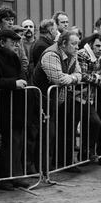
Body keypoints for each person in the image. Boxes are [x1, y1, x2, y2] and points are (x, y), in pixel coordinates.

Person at [0, 29, 30, 190]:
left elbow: (22, 73)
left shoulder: (14, 57)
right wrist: (13, 83)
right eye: (13, 43)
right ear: (2, 42)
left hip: (16, 106)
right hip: (2, 106)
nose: (16, 46)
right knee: (5, 143)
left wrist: (21, 80)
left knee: (17, 142)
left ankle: (15, 175)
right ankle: (2, 178)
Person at [33, 31, 82, 173]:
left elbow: (79, 74)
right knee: (45, 135)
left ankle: (51, 166)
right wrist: (71, 78)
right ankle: (41, 168)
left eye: (77, 44)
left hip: (57, 101)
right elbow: (58, 79)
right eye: (73, 44)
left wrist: (72, 78)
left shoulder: (72, 54)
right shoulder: (51, 54)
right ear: (63, 44)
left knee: (56, 133)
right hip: (41, 100)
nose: (77, 47)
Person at [76, 33, 101, 166]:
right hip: (77, 96)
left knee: (93, 123)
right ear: (91, 45)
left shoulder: (100, 57)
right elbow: (83, 76)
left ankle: (85, 154)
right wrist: (98, 79)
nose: (100, 49)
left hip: (89, 98)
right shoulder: (83, 54)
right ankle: (78, 156)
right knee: (89, 123)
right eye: (97, 46)